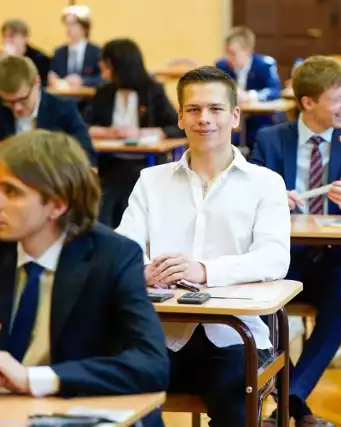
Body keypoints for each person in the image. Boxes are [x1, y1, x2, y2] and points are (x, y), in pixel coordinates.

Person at [0, 130, 169, 426]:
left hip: (91, 414)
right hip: (9, 417)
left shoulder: (113, 256)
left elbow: (150, 364)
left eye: (11, 192)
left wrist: (31, 379)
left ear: (58, 204)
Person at [116, 66, 291, 426]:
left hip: (236, 340)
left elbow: (274, 258)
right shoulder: (151, 180)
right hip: (161, 336)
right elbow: (124, 247)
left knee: (233, 408)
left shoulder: (266, 183)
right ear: (179, 118)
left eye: (215, 109)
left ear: (236, 116)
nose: (204, 119)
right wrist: (144, 269)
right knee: (121, 397)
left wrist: (206, 271)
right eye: (193, 110)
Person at [251, 56, 341, 426]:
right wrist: (269, 199)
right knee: (254, 297)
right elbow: (241, 199)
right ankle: (295, 402)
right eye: (337, 99)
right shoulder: (269, 139)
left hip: (339, 257)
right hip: (284, 255)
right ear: (308, 103)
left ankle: (290, 397)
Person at [0, 55, 96, 230]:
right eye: (9, 103)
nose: (17, 108)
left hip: (51, 201)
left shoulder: (62, 109)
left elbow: (86, 155)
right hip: (8, 198)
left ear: (36, 82)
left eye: (22, 100)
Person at [84, 38, 185, 228]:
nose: (101, 67)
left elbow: (177, 127)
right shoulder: (104, 92)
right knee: (107, 194)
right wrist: (110, 133)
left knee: (127, 190)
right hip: (112, 163)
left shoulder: (153, 91)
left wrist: (140, 132)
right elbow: (85, 124)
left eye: (106, 64)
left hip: (145, 164)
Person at [216, 26, 281, 146]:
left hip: (259, 120)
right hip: (231, 119)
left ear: (248, 51)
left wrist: (250, 95)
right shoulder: (222, 66)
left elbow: (275, 91)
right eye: (227, 53)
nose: (229, 58)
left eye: (233, 53)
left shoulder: (265, 64)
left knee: (260, 136)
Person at [48, 5, 102, 89]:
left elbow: (103, 78)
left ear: (84, 27)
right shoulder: (59, 52)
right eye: (66, 24)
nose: (68, 28)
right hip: (63, 98)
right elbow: (53, 74)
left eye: (72, 24)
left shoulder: (96, 52)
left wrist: (83, 81)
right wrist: (52, 78)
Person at [0, 19, 51, 87]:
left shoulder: (40, 58)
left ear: (25, 38)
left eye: (12, 36)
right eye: (4, 36)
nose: (7, 40)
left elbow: (42, 85)